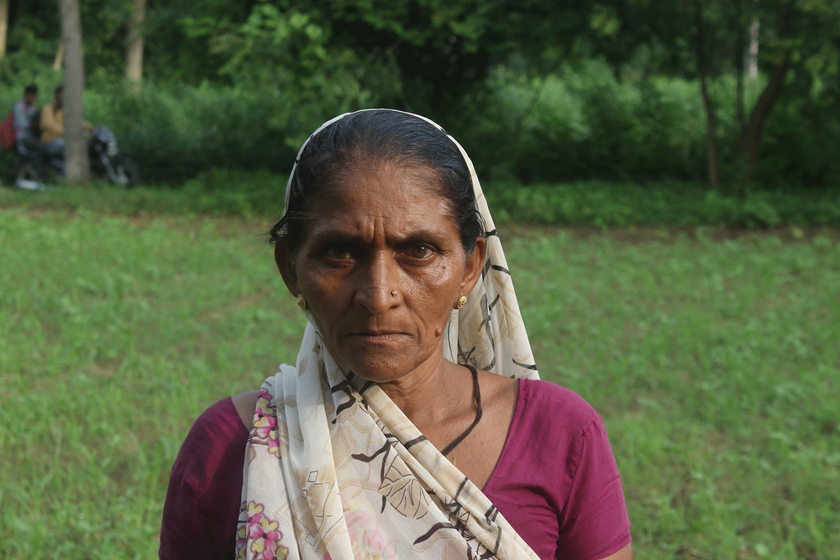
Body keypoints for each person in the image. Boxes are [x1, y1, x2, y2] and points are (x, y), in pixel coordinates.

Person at [159, 109, 633, 560]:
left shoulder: (560, 433)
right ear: (291, 270)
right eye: (340, 251)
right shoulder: (230, 446)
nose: (378, 293)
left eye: (419, 251)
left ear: (471, 267)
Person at [12, 84, 39, 154]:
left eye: (34, 95)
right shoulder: (19, 106)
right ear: (26, 95)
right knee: (39, 146)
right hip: (21, 136)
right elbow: (21, 124)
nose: (32, 97)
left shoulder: (32, 107)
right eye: (31, 95)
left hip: (29, 134)